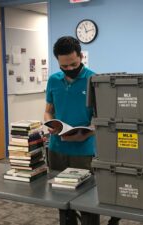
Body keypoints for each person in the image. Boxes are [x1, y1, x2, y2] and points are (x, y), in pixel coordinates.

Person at [44, 36, 121, 225]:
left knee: (87, 204)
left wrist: (88, 131)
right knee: (61, 200)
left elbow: (101, 117)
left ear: (81, 57)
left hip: (84, 151)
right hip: (57, 149)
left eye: (73, 64)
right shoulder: (53, 80)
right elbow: (48, 110)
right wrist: (49, 123)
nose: (70, 69)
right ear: (58, 62)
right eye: (65, 66)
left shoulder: (94, 80)